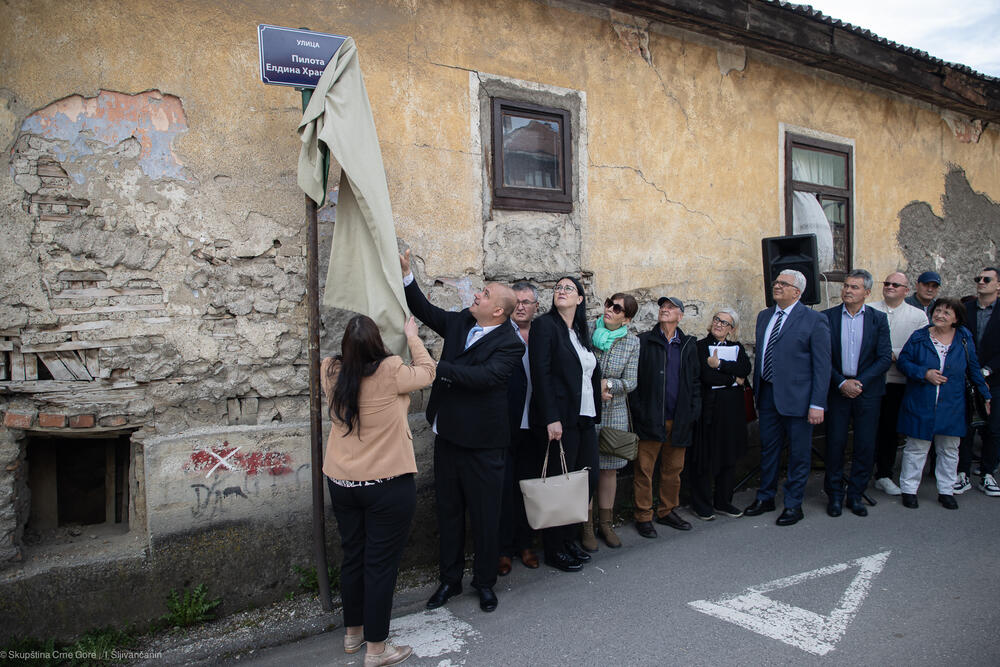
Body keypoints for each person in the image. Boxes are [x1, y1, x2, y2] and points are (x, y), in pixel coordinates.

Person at [399, 249, 523, 613]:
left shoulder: (510, 344)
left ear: (497, 310)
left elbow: (484, 378)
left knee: (485, 517)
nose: (477, 295)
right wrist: (407, 274)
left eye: (483, 294)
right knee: (448, 512)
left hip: (485, 446)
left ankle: (485, 582)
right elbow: (424, 310)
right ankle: (449, 581)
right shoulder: (460, 323)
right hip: (449, 438)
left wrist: (437, 368)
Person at [322, 314, 436, 667]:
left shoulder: (329, 369)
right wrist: (412, 336)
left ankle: (353, 635)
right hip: (385, 484)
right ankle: (377, 650)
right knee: (380, 566)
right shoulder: (389, 370)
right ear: (377, 344)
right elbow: (428, 371)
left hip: (342, 482)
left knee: (353, 556)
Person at [745, 270, 831, 526]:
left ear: (798, 291)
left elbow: (822, 365)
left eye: (784, 283)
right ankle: (766, 496)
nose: (777, 286)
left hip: (799, 399)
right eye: (776, 282)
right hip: (768, 394)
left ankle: (793, 504)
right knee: (769, 448)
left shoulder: (814, 320)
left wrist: (817, 403)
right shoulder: (765, 316)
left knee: (799, 453)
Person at [529, 276, 602, 572]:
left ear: (580, 299)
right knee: (560, 484)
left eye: (568, 288)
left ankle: (569, 539)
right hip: (561, 420)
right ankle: (554, 548)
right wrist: (551, 418)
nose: (561, 291)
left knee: (586, 481)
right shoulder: (545, 326)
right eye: (558, 288)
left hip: (585, 417)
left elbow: (586, 374)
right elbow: (541, 373)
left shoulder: (581, 332)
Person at [896, 297, 992, 509]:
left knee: (949, 449)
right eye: (938, 310)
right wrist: (924, 373)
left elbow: (974, 368)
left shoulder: (964, 338)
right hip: (921, 400)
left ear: (956, 319)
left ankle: (946, 490)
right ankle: (909, 489)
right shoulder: (920, 337)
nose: (939, 315)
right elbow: (904, 362)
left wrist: (985, 394)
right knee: (916, 447)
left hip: (952, 403)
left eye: (946, 313)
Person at [821, 270, 892, 517]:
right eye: (846, 286)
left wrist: (859, 382)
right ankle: (835, 495)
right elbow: (822, 357)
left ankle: (856, 494)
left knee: (864, 445)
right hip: (837, 390)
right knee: (835, 444)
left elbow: (884, 358)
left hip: (867, 392)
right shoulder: (827, 318)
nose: (848, 291)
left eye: (854, 287)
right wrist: (841, 383)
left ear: (867, 292)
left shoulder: (878, 319)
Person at [630, 296, 701, 538]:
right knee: (644, 470)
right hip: (650, 419)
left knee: (673, 470)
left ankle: (667, 510)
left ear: (680, 315)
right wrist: (640, 412)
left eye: (670, 308)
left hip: (679, 420)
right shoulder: (644, 341)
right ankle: (643, 516)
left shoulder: (689, 345)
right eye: (663, 307)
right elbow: (635, 381)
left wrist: (692, 413)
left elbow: (694, 382)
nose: (664, 310)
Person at [868, 272, 929, 495]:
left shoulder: (918, 316)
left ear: (906, 289)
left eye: (896, 284)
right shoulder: (869, 308)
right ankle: (863, 473)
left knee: (890, 430)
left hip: (898, 381)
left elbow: (919, 350)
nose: (890, 287)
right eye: (887, 283)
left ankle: (884, 474)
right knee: (867, 429)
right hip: (870, 379)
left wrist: (888, 354)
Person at [588, 292, 639, 548]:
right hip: (586, 409)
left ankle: (605, 523)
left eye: (617, 308)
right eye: (609, 304)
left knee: (608, 469)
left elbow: (631, 381)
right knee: (586, 468)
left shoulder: (632, 342)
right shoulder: (588, 332)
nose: (609, 309)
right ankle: (585, 525)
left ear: (626, 319)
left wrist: (608, 383)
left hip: (613, 412)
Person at [691, 308, 752, 520]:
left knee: (729, 456)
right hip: (710, 410)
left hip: (733, 411)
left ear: (731, 329)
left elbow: (745, 368)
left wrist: (720, 364)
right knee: (707, 457)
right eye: (717, 319)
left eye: (725, 323)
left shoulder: (736, 347)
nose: (719, 324)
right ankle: (702, 503)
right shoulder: (699, 346)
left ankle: (723, 501)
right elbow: (707, 377)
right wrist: (733, 380)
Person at [498, 282, 541, 575]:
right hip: (505, 424)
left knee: (530, 487)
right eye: (518, 301)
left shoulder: (542, 335)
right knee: (503, 490)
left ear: (536, 307)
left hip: (535, 424)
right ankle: (502, 549)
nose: (522, 306)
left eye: (527, 302)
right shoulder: (500, 333)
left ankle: (526, 544)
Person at [957, 267, 1000, 496]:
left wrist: (987, 370)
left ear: (998, 285)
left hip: (995, 379)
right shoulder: (966, 309)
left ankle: (987, 474)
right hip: (966, 379)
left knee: (993, 428)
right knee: (965, 427)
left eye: (986, 279)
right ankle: (962, 473)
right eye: (978, 278)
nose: (981, 282)